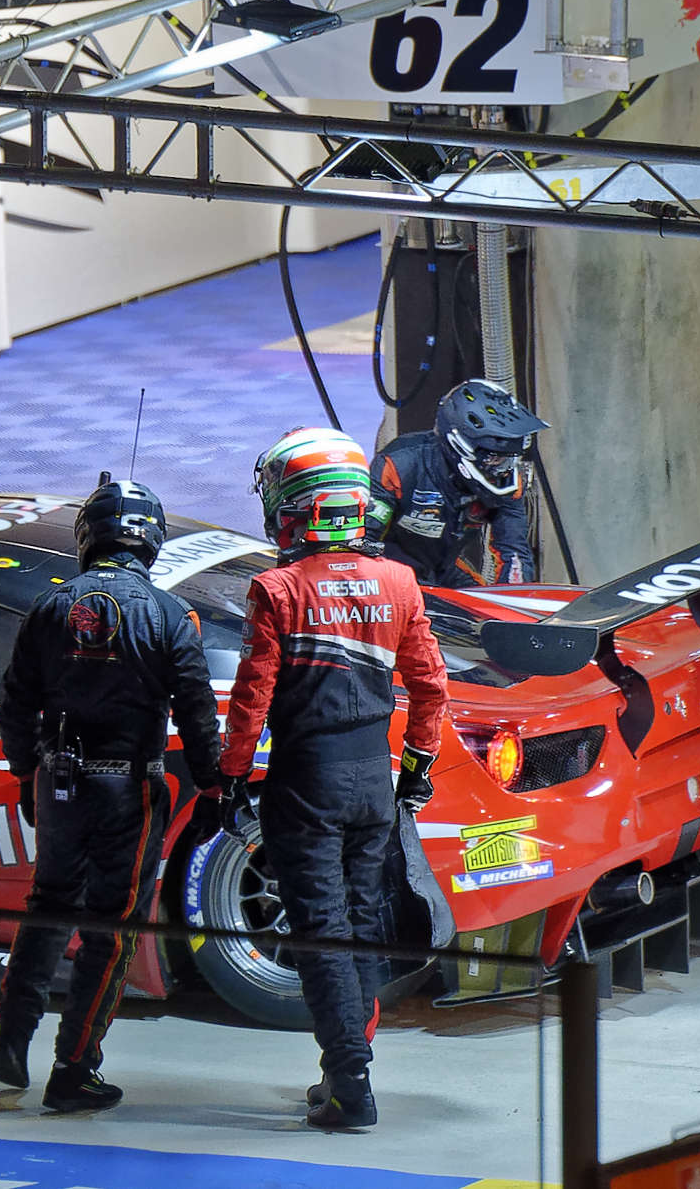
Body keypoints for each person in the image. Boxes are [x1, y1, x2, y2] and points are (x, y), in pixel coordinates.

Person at [220, 427, 449, 1132]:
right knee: (361, 924)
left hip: (305, 781)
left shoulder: (276, 588)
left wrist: (230, 775)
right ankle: (338, 1075)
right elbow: (432, 689)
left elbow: (251, 700)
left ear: (296, 506)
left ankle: (351, 1083)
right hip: (374, 780)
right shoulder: (400, 581)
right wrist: (414, 771)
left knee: (320, 931)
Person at [0, 476, 223, 1114]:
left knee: (47, 904)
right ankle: (73, 1070)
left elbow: (16, 704)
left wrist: (22, 774)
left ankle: (11, 1036)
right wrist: (214, 787)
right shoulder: (172, 616)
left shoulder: (49, 606)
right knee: (111, 931)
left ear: (88, 536)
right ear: (152, 542)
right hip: (130, 791)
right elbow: (199, 716)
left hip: (57, 780)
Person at [369, 378, 546, 586]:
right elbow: (360, 545)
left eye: (511, 458)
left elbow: (514, 552)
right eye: (495, 458)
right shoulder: (398, 465)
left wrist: (514, 608)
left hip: (441, 570)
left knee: (493, 608)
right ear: (462, 447)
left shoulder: (506, 482)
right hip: (386, 573)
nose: (504, 468)